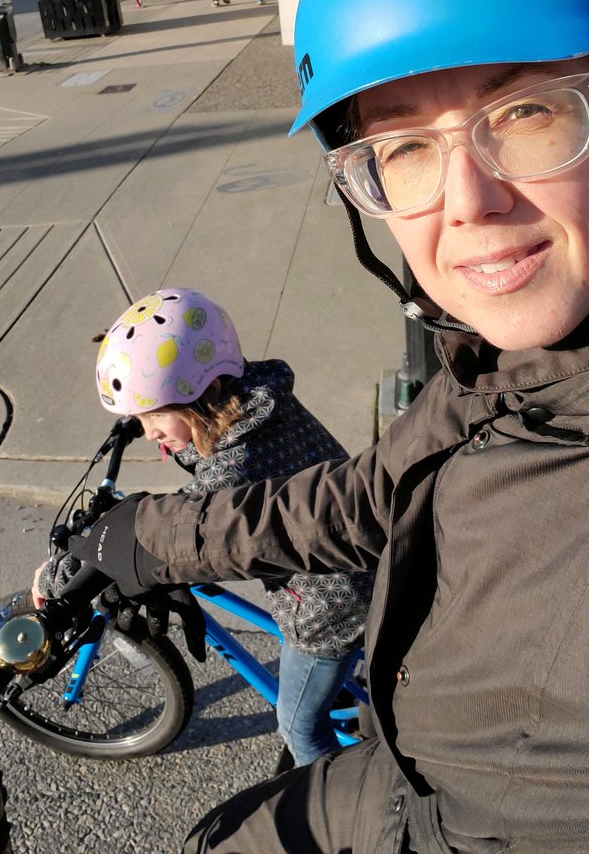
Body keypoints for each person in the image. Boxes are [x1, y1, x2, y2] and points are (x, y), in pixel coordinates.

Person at [66, 0, 589, 854]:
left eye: (524, 113)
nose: (466, 203)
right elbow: (364, 499)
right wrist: (145, 540)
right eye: (403, 146)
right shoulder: (505, 368)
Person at [33, 288, 373, 769]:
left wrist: (71, 566)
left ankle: (338, 802)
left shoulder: (240, 466)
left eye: (153, 415)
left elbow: (178, 528)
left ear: (208, 392)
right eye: (138, 418)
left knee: (298, 725)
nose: (148, 432)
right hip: (361, 555)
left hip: (333, 610)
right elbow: (211, 456)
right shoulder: (255, 397)